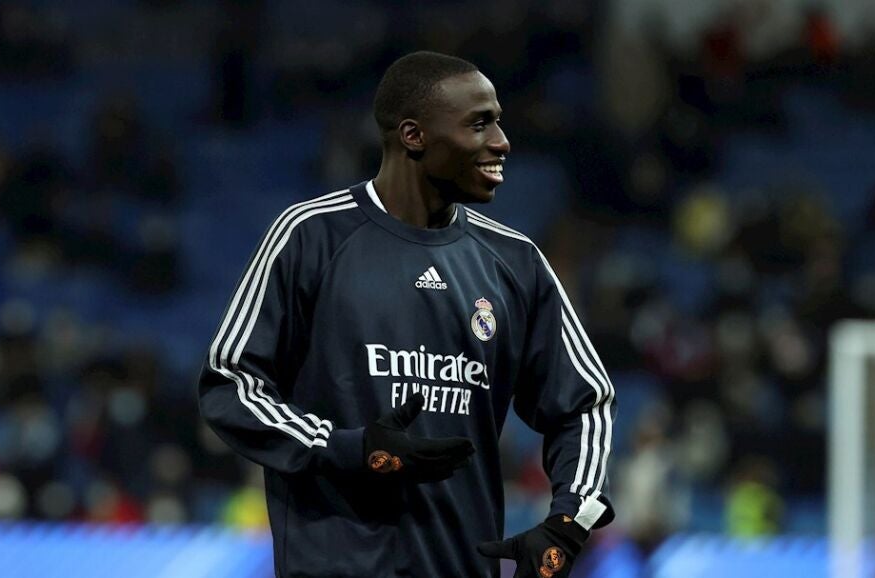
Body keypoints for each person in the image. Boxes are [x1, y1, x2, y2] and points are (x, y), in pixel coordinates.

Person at [198, 50, 616, 578]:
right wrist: (347, 448)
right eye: (479, 124)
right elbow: (231, 384)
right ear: (414, 136)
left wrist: (569, 521)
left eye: (499, 122)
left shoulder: (515, 262)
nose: (502, 142)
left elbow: (586, 404)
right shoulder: (311, 235)